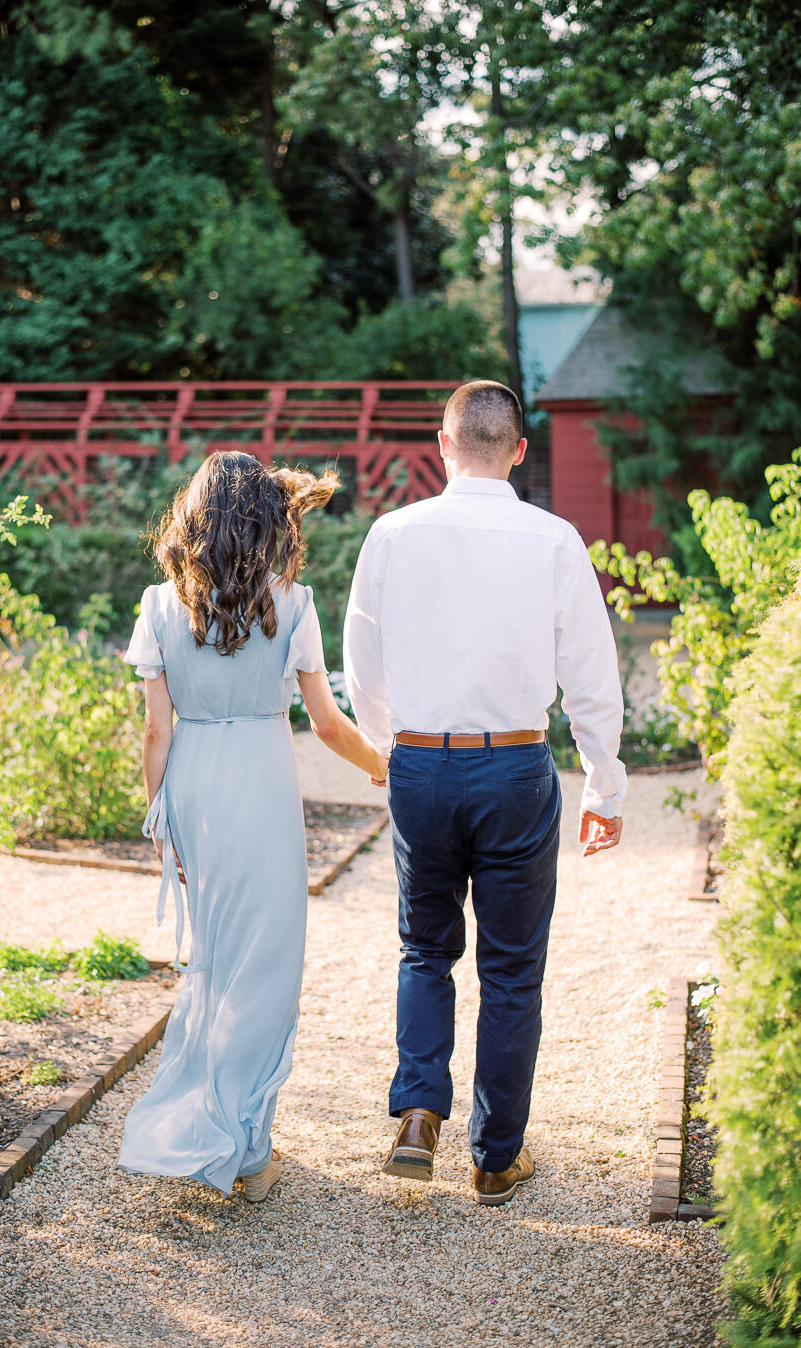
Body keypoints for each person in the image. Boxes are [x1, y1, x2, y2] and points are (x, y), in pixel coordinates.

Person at [343, 380, 626, 1206]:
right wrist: (603, 786)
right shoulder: (555, 539)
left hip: (422, 763)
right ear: (520, 451)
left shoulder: (392, 534)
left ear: (442, 443)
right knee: (510, 972)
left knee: (424, 948)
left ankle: (418, 1113)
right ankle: (495, 1157)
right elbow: (592, 678)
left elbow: (365, 665)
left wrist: (390, 752)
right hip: (513, 767)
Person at [118, 452, 388, 1203]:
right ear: (266, 519)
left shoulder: (158, 604)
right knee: (263, 969)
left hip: (196, 785)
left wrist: (160, 818)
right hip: (261, 785)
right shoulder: (292, 603)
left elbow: (155, 733)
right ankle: (244, 1146)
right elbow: (328, 725)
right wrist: (386, 767)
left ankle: (209, 1130)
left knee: (216, 958)